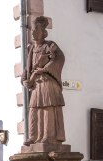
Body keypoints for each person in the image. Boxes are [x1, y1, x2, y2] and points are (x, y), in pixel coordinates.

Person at [21, 16, 66, 146]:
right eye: (32, 30)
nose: (33, 33)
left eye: (36, 30)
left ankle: (48, 135)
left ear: (43, 32)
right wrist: (24, 80)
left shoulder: (50, 46)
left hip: (47, 82)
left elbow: (59, 59)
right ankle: (33, 137)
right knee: (34, 109)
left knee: (47, 107)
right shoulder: (32, 49)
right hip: (36, 84)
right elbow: (27, 68)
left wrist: (45, 69)